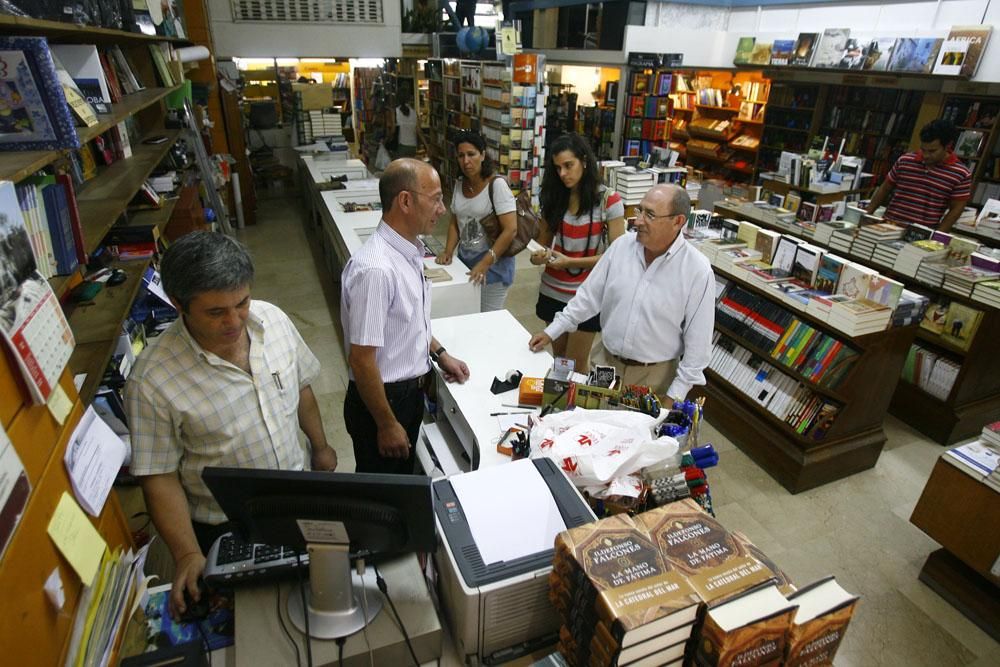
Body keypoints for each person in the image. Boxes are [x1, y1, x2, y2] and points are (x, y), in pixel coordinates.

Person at [125, 231, 336, 619]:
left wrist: (320, 447)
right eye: (216, 312)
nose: (234, 320)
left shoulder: (272, 320)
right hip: (225, 526)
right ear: (178, 305)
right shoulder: (151, 380)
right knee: (256, 625)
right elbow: (158, 475)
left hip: (297, 496)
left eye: (241, 303)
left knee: (313, 602)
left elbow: (301, 386)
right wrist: (188, 553)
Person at [528, 184, 715, 402]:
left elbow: (698, 347)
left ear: (678, 221)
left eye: (650, 215)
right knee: (595, 423)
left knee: (636, 434)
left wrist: (674, 396)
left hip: (653, 377)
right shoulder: (621, 248)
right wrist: (552, 331)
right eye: (640, 210)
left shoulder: (697, 270)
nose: (639, 220)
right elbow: (587, 298)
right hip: (606, 365)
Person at [342, 159, 470, 475]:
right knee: (382, 493)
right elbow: (361, 360)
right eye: (436, 198)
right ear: (406, 200)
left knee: (400, 477)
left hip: (406, 393)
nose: (442, 209)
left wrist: (440, 353)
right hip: (383, 401)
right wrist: (386, 423)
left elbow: (408, 323)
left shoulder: (408, 251)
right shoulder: (376, 270)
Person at [530, 132, 625, 372]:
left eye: (568, 165)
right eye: (558, 168)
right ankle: (561, 407)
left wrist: (570, 262)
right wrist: (537, 256)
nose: (563, 173)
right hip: (552, 290)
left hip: (588, 295)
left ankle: (578, 409)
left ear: (584, 160)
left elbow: (618, 255)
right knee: (559, 359)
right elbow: (541, 245)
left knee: (576, 362)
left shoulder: (608, 200)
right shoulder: (554, 197)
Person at [435, 131, 518, 311]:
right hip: (466, 264)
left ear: (483, 154)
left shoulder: (497, 186)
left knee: (487, 319)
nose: (466, 161)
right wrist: (448, 250)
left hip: (494, 269)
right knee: (468, 313)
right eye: (461, 155)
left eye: (471, 154)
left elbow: (510, 230)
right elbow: (455, 221)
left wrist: (485, 263)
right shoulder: (459, 184)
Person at [866, 119, 971, 232]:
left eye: (932, 151)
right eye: (923, 149)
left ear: (948, 146)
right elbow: (885, 188)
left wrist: (938, 235)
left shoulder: (961, 173)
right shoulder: (905, 160)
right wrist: (867, 213)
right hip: (888, 225)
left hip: (922, 233)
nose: (925, 155)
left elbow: (956, 208)